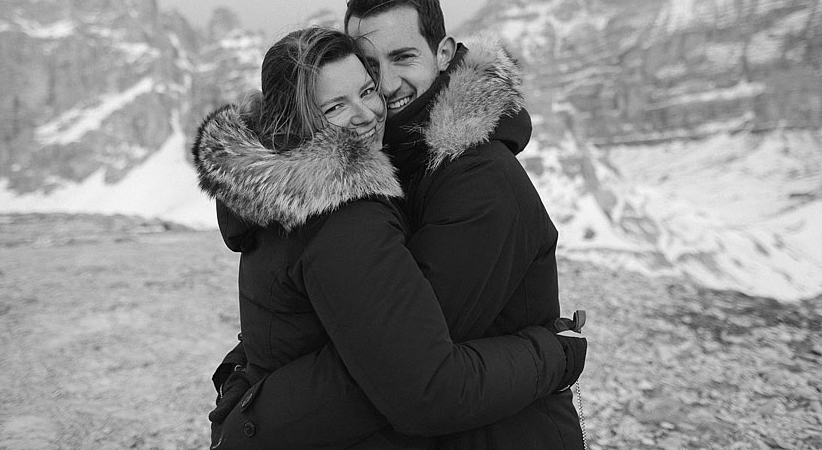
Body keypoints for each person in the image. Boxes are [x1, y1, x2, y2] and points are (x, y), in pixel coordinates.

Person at [193, 27, 586, 449]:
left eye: (366, 90)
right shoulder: (344, 215)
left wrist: (246, 394)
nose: (365, 113)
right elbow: (426, 389)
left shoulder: (276, 197)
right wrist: (554, 352)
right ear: (299, 120)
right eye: (335, 106)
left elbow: (283, 328)